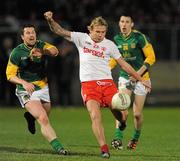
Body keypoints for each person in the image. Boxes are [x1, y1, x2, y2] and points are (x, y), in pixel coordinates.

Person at [44, 11, 151, 158]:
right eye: (98, 31)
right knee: (95, 115)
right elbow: (59, 31)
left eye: (103, 32)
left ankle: (123, 122)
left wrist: (141, 78)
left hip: (107, 84)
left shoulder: (110, 45)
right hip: (89, 85)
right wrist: (50, 20)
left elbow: (124, 65)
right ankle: (104, 148)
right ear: (90, 29)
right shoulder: (81, 38)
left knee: (123, 115)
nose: (100, 35)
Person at [6, 24, 67, 155]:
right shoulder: (17, 52)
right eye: (27, 33)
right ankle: (59, 148)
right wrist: (24, 83)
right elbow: (10, 75)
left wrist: (45, 51)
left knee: (45, 115)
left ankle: (29, 117)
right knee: (43, 118)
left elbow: (55, 51)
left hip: (43, 87)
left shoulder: (40, 45)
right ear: (22, 37)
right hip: (26, 89)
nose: (31, 35)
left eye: (33, 32)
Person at [109, 13, 156, 150]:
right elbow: (114, 59)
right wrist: (106, 69)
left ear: (132, 24)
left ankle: (135, 138)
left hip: (142, 79)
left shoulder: (139, 37)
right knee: (121, 106)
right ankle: (118, 138)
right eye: (122, 21)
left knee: (136, 114)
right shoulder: (116, 39)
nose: (124, 24)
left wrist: (137, 75)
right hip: (126, 77)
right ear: (119, 23)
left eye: (127, 22)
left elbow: (151, 57)